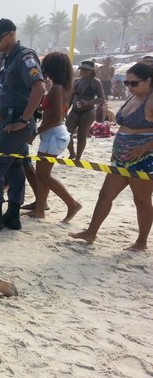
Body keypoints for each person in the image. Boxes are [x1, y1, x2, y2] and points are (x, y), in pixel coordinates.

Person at [0, 19, 46, 232]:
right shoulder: (9, 58)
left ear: (11, 34)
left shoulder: (25, 57)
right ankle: (12, 215)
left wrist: (23, 120)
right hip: (9, 122)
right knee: (14, 167)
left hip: (16, 124)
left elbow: (39, 88)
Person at [71, 62, 153, 252]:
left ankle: (141, 242)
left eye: (134, 83)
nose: (129, 87)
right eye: (126, 83)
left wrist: (143, 148)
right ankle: (91, 232)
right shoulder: (134, 98)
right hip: (121, 157)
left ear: (149, 81)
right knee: (105, 195)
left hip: (143, 159)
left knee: (141, 200)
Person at [24, 52, 82, 222]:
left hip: (54, 134)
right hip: (52, 134)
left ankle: (72, 204)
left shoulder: (57, 88)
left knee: (44, 175)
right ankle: (39, 209)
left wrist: (36, 131)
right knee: (42, 174)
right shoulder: (61, 87)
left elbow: (56, 118)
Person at [65, 61, 104, 160]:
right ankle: (72, 153)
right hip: (74, 109)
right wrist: (66, 109)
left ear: (91, 71)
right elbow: (71, 96)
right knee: (66, 133)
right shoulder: (76, 81)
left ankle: (78, 157)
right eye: (82, 69)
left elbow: (101, 98)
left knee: (81, 135)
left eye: (86, 70)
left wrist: (88, 102)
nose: (83, 71)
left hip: (88, 111)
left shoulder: (96, 82)